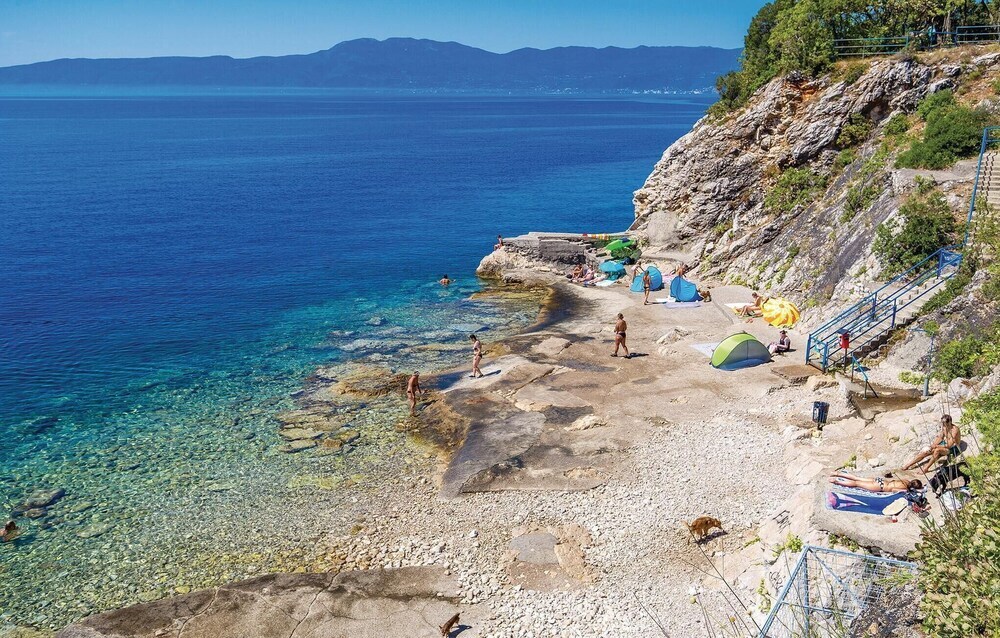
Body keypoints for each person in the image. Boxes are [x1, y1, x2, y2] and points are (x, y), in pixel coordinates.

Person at [829, 472, 922, 493]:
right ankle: (836, 481)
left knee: (857, 478)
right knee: (856, 483)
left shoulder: (906, 480)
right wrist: (905, 491)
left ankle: (837, 474)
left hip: (880, 480)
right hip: (880, 486)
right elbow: (894, 490)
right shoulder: (905, 487)